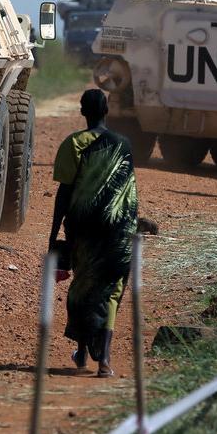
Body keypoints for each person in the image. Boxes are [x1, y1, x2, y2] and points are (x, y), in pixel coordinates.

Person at [49, 89, 138, 377]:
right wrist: (134, 225)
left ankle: (83, 352)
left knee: (85, 286)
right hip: (117, 230)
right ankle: (105, 361)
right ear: (106, 110)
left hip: (84, 229)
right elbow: (128, 193)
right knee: (111, 290)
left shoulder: (74, 144)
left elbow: (64, 193)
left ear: (82, 111)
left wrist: (53, 234)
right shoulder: (123, 144)